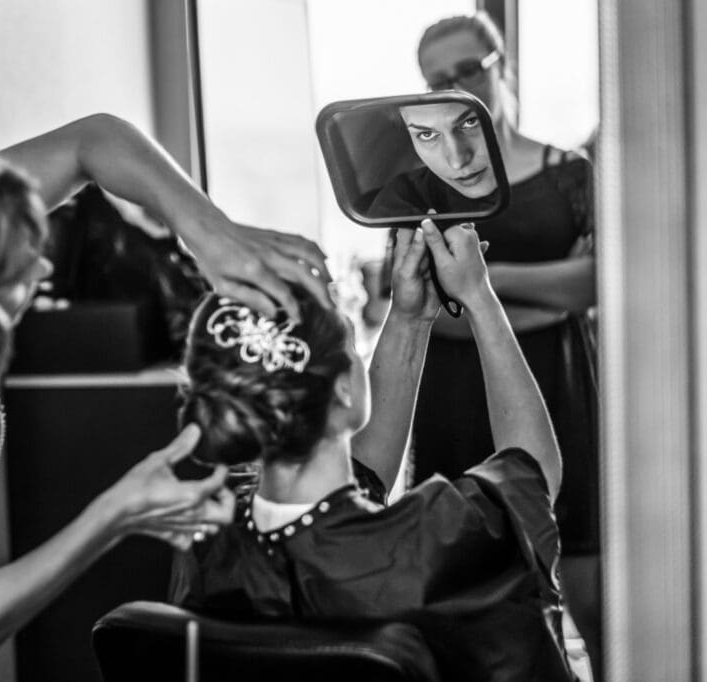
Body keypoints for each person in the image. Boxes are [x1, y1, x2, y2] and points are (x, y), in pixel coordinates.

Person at [0, 114, 333, 680]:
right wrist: (115, 513)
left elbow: (93, 140)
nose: (44, 266)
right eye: (15, 264)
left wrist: (210, 234)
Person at [171, 221, 573, 681]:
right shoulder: (431, 546)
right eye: (352, 344)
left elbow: (351, 487)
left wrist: (410, 317)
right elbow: (532, 471)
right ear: (344, 389)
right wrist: (480, 298)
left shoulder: (207, 545)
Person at [409, 12, 600, 674]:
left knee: (590, 586)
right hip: (456, 397)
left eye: (467, 70)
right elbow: (433, 310)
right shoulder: (418, 191)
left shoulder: (569, 172)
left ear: (501, 66)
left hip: (562, 385)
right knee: (464, 596)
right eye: (438, 82)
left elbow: (597, 282)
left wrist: (479, 284)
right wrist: (532, 297)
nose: (456, 88)